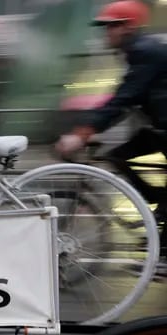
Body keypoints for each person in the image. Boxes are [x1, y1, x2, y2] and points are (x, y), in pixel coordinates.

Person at [56, 0, 167, 223]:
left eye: (112, 26)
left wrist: (82, 133)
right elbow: (126, 99)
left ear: (129, 26)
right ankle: (160, 204)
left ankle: (162, 207)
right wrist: (93, 128)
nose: (107, 33)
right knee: (117, 156)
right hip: (160, 129)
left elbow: (124, 98)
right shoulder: (138, 51)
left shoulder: (145, 51)